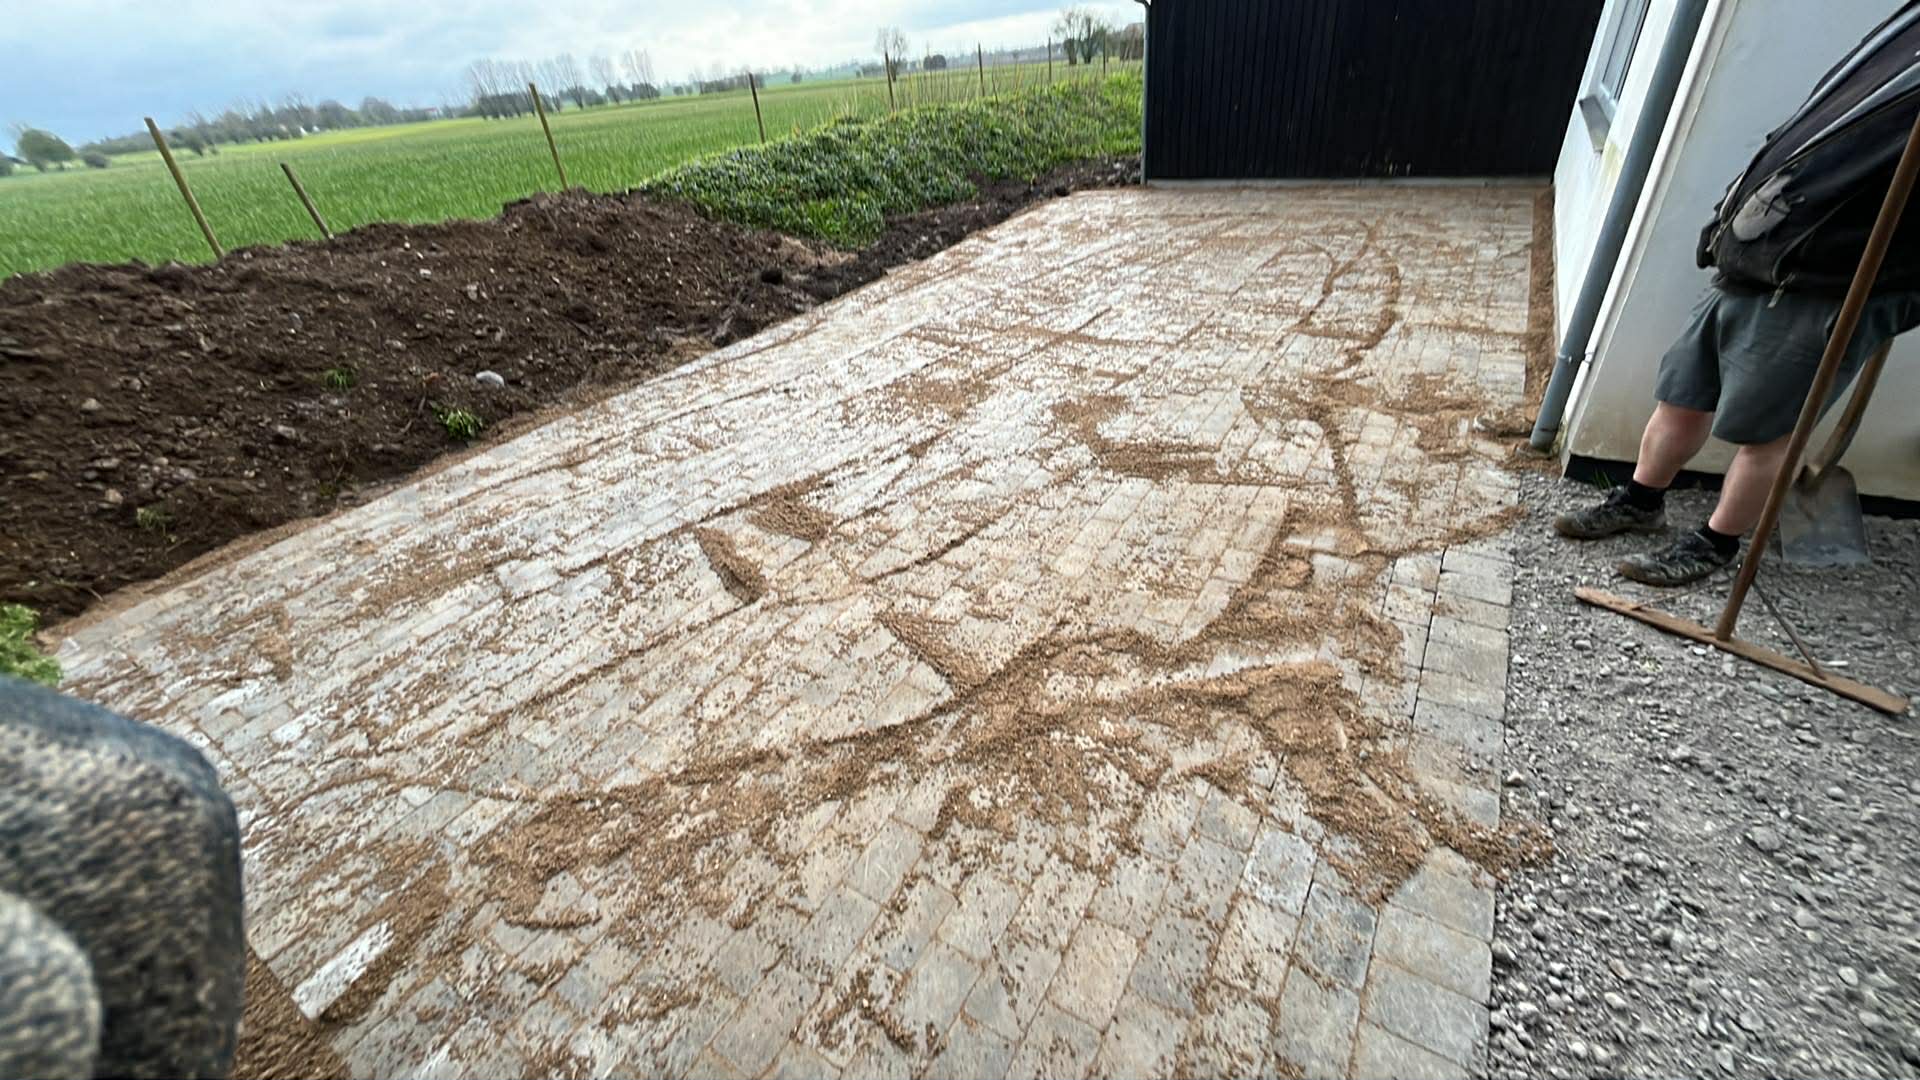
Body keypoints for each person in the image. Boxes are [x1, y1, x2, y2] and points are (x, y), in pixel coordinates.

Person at [1553, 4, 1920, 586]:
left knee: (1768, 433)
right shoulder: (1901, 46)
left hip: (1821, 291)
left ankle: (1715, 543)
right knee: (1682, 395)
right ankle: (1641, 501)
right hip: (1754, 261)